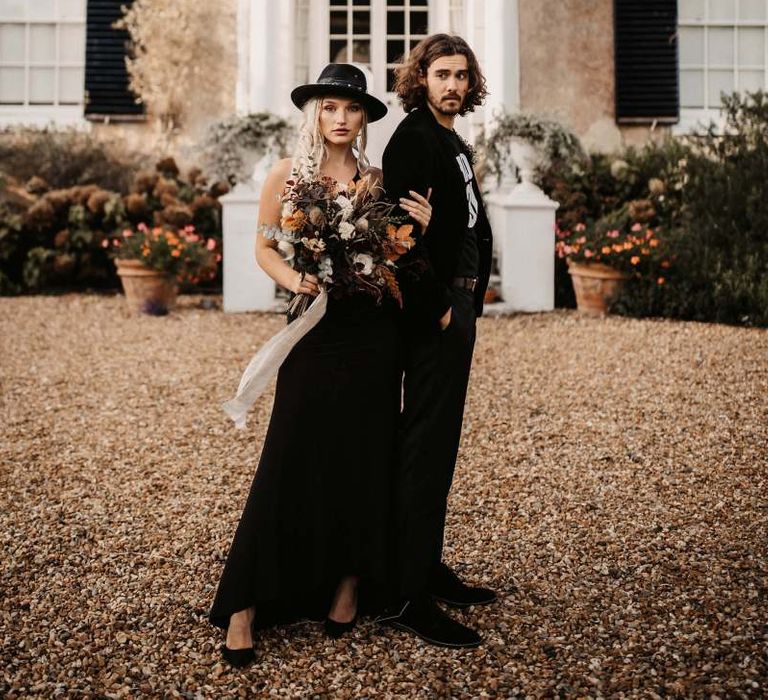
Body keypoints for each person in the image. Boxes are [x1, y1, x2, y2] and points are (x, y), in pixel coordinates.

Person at [209, 63, 433, 667]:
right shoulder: (287, 174)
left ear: (364, 119)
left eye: (352, 109)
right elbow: (261, 245)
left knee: (365, 454)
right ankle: (244, 601)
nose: (341, 118)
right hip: (315, 328)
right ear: (315, 113)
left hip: (372, 335)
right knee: (290, 452)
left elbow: (399, 250)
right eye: (331, 107)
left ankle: (348, 584)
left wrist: (423, 229)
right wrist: (295, 277)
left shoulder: (376, 182)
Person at [379, 34, 496, 648]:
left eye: (461, 75)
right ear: (420, 79)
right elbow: (399, 239)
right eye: (441, 74)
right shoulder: (414, 138)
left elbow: (462, 220)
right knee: (424, 446)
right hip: (436, 313)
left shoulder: (448, 138)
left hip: (459, 301)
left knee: (440, 443)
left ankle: (427, 566)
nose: (453, 84)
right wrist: (437, 314)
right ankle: (405, 595)